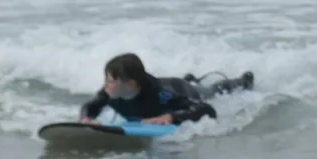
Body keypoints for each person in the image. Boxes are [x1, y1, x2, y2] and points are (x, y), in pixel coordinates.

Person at [77, 53, 253, 125]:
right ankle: (190, 78)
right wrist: (86, 119)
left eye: (110, 80)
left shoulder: (161, 96)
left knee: (210, 92)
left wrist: (171, 116)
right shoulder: (110, 92)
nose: (105, 85)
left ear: (130, 84)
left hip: (180, 88)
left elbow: (206, 109)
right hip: (162, 86)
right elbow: (90, 106)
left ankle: (242, 81)